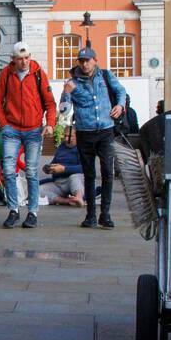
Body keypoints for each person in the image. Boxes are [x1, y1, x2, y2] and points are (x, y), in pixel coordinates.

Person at [0, 41, 57, 229]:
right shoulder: (6, 74)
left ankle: (32, 212)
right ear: (13, 60)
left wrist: (50, 124)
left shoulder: (38, 74)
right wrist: (4, 124)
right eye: (20, 59)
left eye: (27, 58)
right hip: (12, 129)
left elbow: (50, 103)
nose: (24, 62)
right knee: (9, 171)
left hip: (34, 129)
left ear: (30, 57)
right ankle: (13, 210)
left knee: (31, 171)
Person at [69, 46, 127, 229]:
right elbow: (64, 106)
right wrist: (67, 92)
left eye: (88, 60)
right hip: (85, 132)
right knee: (89, 174)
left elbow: (121, 91)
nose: (85, 64)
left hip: (105, 130)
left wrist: (120, 106)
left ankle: (106, 215)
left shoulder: (106, 76)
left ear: (95, 61)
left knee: (107, 172)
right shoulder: (73, 82)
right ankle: (91, 215)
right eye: (82, 61)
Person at [42, 135, 85, 207]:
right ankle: (67, 201)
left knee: (74, 177)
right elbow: (53, 162)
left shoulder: (82, 148)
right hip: (58, 182)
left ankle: (78, 197)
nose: (66, 139)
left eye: (70, 136)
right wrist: (49, 168)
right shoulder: (61, 147)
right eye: (65, 136)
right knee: (37, 190)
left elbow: (85, 168)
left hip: (74, 181)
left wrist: (64, 169)